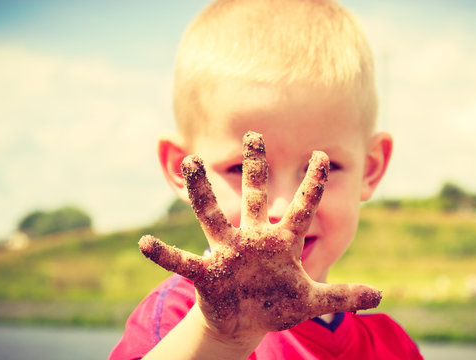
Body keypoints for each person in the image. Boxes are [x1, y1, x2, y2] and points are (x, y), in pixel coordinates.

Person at [109, 0, 423, 359]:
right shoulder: (181, 323)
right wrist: (222, 338)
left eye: (321, 170)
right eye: (244, 170)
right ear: (184, 170)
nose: (281, 207)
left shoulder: (391, 347)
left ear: (370, 168)